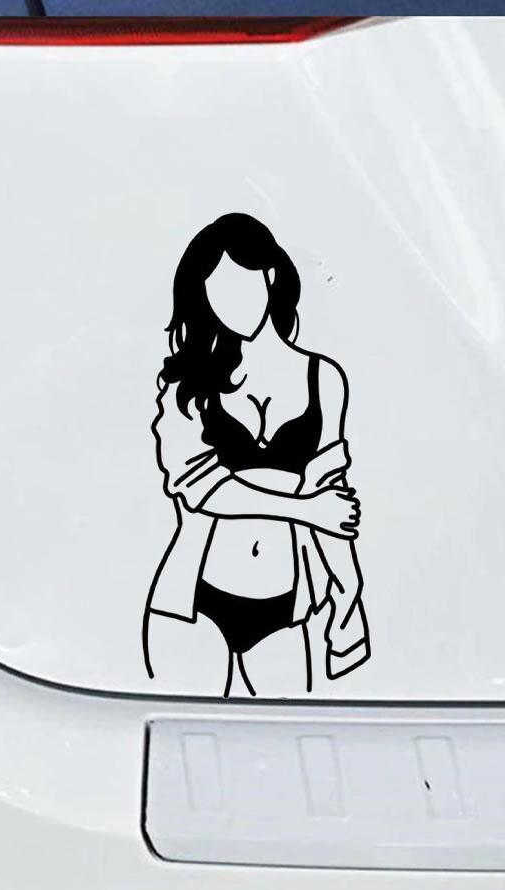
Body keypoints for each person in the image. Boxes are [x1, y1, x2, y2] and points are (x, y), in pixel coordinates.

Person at [143, 213, 369, 697]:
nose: (230, 305)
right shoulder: (187, 386)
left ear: (269, 274)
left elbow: (331, 498)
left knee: (290, 736)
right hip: (192, 598)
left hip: (285, 603)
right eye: (215, 294)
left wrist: (348, 587)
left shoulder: (323, 379)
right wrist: (305, 510)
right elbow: (202, 489)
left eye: (238, 285)